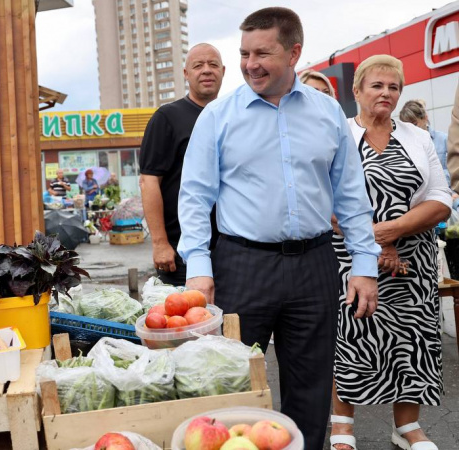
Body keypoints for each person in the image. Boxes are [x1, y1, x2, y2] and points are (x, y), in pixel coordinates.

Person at [177, 8, 380, 449]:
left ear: (293, 53)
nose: (250, 64)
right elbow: (194, 197)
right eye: (244, 54)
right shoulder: (218, 116)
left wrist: (365, 264)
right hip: (241, 266)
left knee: (310, 386)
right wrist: (198, 267)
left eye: (262, 54)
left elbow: (350, 194)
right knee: (231, 383)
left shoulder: (328, 113)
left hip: (315, 266)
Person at [328, 55, 450, 450]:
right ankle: (342, 424)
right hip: (350, 255)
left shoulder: (417, 137)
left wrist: (393, 232)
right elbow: (323, 198)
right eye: (377, 85)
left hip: (412, 260)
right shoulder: (339, 134)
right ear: (357, 90)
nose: (386, 93)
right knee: (352, 335)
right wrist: (374, 242)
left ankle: (407, 427)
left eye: (393, 87)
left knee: (413, 338)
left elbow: (440, 197)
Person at [139, 43, 225, 286]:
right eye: (198, 65)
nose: (207, 70)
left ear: (223, 71)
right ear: (186, 74)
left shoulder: (231, 116)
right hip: (182, 251)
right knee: (188, 311)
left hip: (232, 249)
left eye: (213, 65)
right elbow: (149, 182)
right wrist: (160, 243)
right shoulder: (167, 117)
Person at [399, 99, 450, 185]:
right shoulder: (405, 148)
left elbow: (455, 169)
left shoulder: (443, 139)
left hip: (447, 189)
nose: (412, 129)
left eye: (414, 124)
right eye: (407, 127)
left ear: (425, 118)